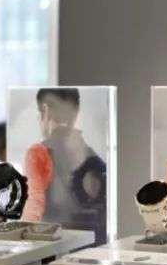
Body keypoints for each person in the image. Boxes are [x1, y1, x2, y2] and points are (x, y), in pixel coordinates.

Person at [23, 88, 107, 244]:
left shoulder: (38, 153)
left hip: (52, 246)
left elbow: (33, 207)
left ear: (45, 111)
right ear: (76, 111)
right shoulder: (92, 156)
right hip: (92, 246)